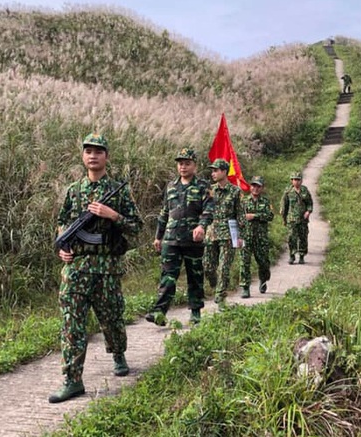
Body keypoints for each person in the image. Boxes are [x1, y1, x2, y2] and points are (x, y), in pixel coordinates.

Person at [49, 132, 143, 403]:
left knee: (112, 318)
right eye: (88, 151)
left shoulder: (119, 190)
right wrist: (63, 246)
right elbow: (62, 222)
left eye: (98, 151)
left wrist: (112, 215)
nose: (93, 155)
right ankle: (72, 380)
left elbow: (136, 226)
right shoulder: (73, 190)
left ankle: (118, 353)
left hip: (106, 267)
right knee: (71, 324)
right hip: (76, 268)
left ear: (106, 157)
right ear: (83, 156)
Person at [145, 148, 214, 326]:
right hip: (171, 238)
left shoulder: (203, 186)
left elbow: (208, 210)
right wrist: (158, 236)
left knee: (195, 275)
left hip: (193, 239)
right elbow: (164, 212)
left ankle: (196, 311)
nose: (183, 167)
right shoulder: (171, 186)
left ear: (195, 166)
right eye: (180, 163)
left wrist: (201, 226)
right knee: (168, 275)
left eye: (187, 163)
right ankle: (159, 311)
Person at [204, 158, 246, 307]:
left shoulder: (235, 191)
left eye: (216, 170)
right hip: (211, 233)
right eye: (212, 170)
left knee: (223, 267)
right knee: (207, 266)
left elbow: (241, 214)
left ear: (224, 172)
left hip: (228, 234)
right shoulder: (210, 190)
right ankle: (216, 286)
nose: (213, 173)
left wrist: (241, 236)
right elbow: (203, 211)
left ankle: (220, 296)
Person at [239, 176, 274, 298]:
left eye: (258, 186)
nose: (255, 188)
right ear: (250, 186)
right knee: (244, 262)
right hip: (246, 237)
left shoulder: (266, 202)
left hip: (261, 238)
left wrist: (255, 216)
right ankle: (245, 287)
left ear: (262, 188)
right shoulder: (243, 201)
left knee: (263, 263)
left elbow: (270, 216)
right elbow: (238, 217)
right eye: (253, 185)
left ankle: (263, 280)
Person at [280, 172, 313, 265]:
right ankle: (292, 255)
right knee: (291, 237)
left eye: (298, 179)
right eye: (295, 179)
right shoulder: (288, 192)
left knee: (303, 237)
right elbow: (284, 206)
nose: (296, 182)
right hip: (291, 219)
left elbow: (309, 203)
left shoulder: (304, 190)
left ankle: (302, 255)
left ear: (301, 180)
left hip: (303, 219)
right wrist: (284, 218)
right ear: (291, 181)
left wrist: (308, 211)